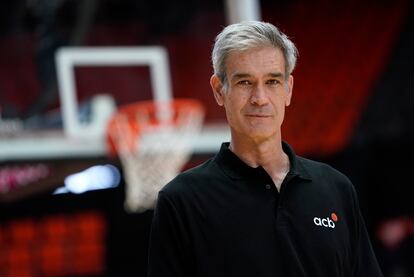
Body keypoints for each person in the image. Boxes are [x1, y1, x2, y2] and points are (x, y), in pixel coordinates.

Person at [147, 21, 384, 277]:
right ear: (219, 90)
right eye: (244, 82)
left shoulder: (336, 188)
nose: (260, 98)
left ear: (288, 90)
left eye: (272, 81)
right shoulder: (182, 200)